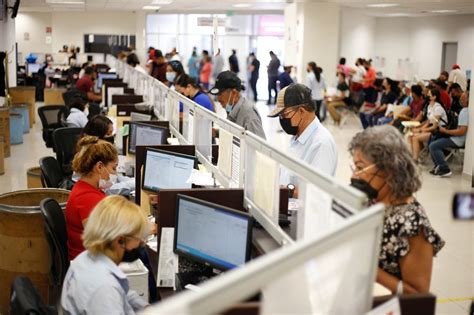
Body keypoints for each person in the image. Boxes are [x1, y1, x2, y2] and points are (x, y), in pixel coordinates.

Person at [349, 125, 444, 294]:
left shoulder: (412, 224)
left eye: (360, 167)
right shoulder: (373, 202)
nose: (354, 175)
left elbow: (418, 296)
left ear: (388, 169)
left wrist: (370, 269)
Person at [61, 195, 149, 314]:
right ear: (120, 241)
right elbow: (109, 292)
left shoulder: (86, 258)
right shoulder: (104, 289)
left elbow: (122, 291)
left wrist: (145, 307)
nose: (141, 243)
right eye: (138, 238)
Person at [65, 136, 119, 260]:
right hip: (90, 262)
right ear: (99, 167)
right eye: (113, 168)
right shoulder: (86, 198)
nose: (115, 174)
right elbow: (103, 239)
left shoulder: (87, 188)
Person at [268, 84, 337, 178]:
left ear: (301, 112)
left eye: (284, 114)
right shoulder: (298, 135)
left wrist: (288, 190)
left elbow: (315, 190)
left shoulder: (321, 144)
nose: (282, 119)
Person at [210, 71, 265, 139]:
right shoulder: (231, 108)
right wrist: (216, 133)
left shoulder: (248, 114)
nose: (218, 99)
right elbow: (236, 134)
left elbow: (259, 145)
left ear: (234, 93)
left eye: (220, 94)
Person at [429, 90, 469, 177]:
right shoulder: (466, 111)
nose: (460, 100)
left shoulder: (465, 112)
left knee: (433, 145)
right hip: (458, 138)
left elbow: (461, 131)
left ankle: (444, 169)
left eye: (463, 98)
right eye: (461, 98)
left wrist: (446, 131)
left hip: (458, 140)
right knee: (433, 141)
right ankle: (438, 166)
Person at [409, 88, 447, 163]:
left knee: (415, 138)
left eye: (429, 94)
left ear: (434, 97)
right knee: (412, 135)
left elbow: (434, 126)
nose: (426, 95)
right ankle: (419, 154)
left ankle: (415, 160)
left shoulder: (438, 108)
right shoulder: (430, 106)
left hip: (439, 132)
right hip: (432, 129)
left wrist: (420, 130)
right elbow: (428, 121)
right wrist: (418, 129)